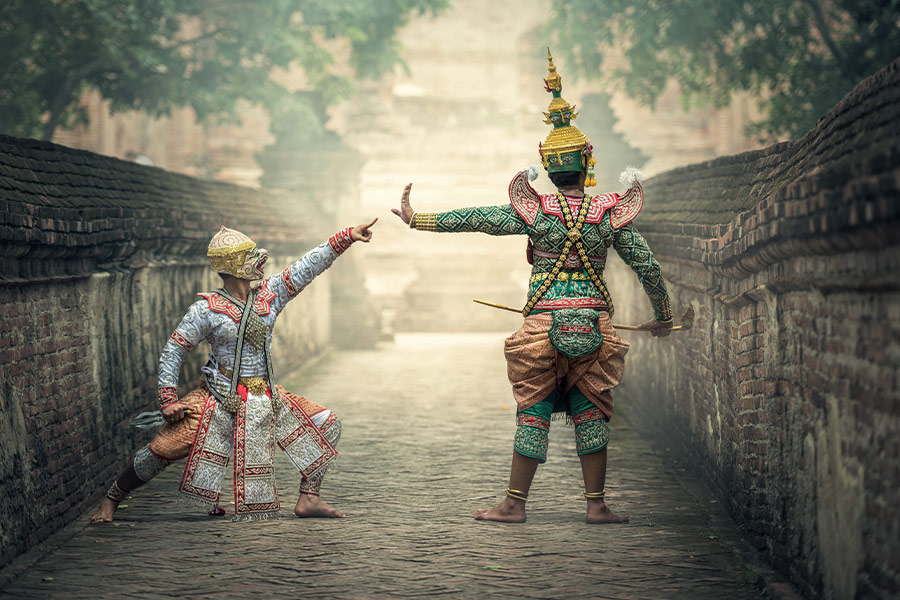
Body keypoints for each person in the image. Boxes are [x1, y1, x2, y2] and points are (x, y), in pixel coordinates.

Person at [392, 51, 673, 524]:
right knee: (591, 410)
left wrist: (419, 220)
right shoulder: (609, 214)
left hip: (542, 326)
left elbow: (478, 219)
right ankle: (597, 506)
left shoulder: (536, 212)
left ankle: (513, 505)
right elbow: (648, 267)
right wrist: (662, 316)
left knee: (534, 410)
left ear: (547, 166)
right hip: (595, 325)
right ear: (588, 164)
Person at [91, 219, 376, 522]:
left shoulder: (270, 294)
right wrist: (168, 400)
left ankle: (309, 497)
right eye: (251, 256)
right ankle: (111, 499)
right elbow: (174, 351)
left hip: (266, 397)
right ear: (235, 265)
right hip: (218, 399)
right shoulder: (207, 309)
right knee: (158, 452)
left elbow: (307, 266)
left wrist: (346, 238)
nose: (260, 260)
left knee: (327, 422)